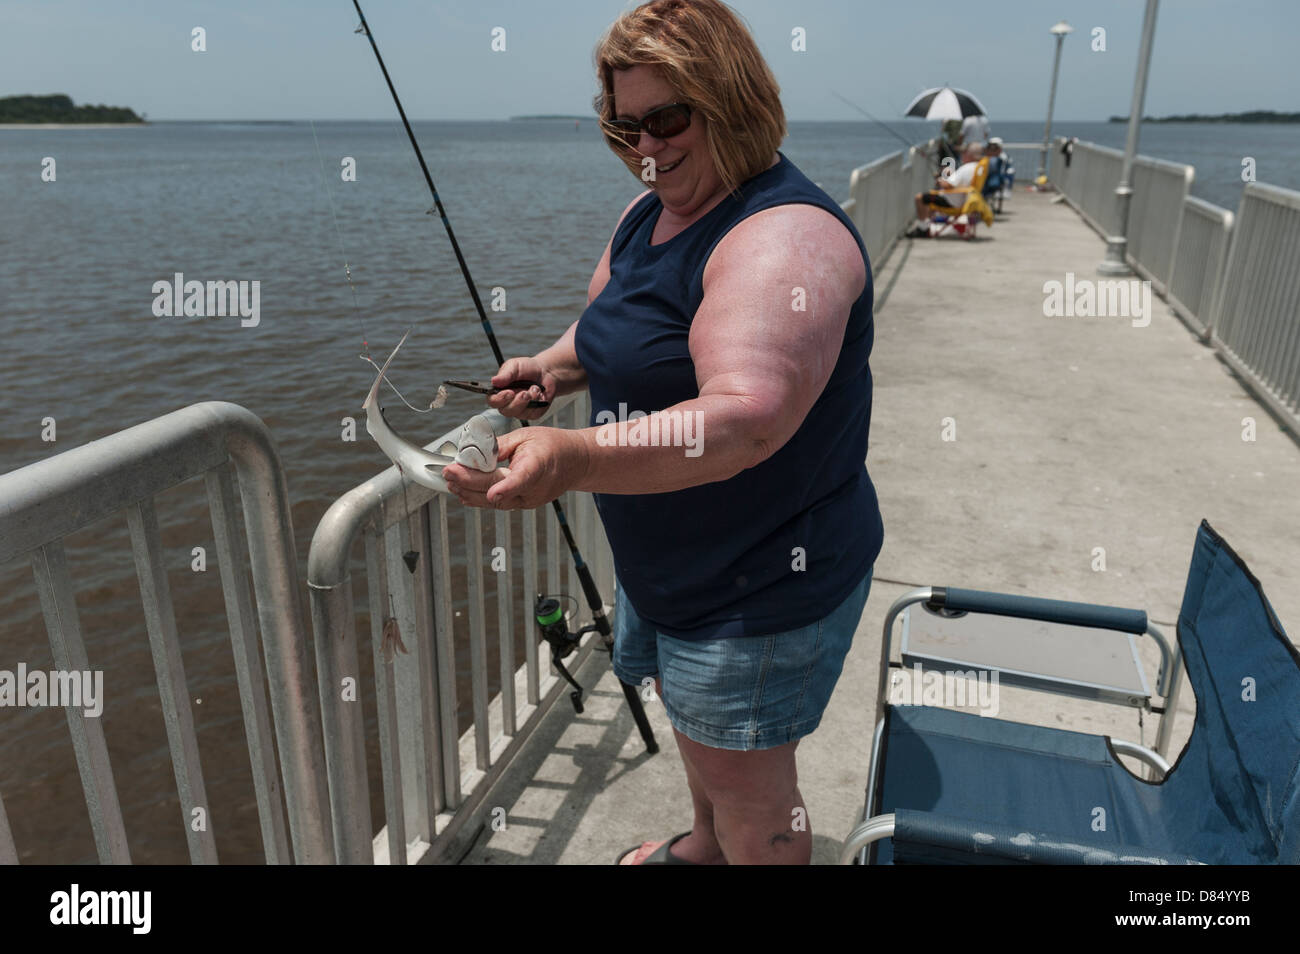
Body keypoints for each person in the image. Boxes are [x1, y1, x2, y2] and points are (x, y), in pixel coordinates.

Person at [441, 0, 883, 865]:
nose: (645, 147)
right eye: (624, 123)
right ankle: (705, 849)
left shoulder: (783, 238)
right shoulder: (647, 214)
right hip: (668, 564)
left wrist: (572, 458)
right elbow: (610, 326)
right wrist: (554, 369)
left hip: (755, 586)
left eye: (668, 119)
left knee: (757, 796)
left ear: (732, 100)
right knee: (703, 739)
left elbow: (747, 417)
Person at [910, 142, 984, 233]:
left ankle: (923, 229)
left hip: (951, 202)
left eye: (964, 152)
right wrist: (950, 175)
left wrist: (940, 180)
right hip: (963, 200)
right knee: (929, 198)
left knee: (920, 198)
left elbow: (947, 186)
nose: (962, 155)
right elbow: (960, 181)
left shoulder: (966, 168)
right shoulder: (977, 168)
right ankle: (926, 226)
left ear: (970, 155)